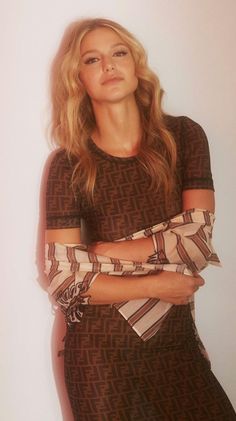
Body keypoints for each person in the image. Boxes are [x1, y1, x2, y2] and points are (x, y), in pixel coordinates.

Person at [45, 18, 236, 420]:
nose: (109, 65)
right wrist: (159, 282)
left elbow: (198, 240)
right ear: (78, 79)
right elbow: (63, 277)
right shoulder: (68, 164)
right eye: (92, 59)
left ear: (136, 64)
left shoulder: (185, 136)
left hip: (175, 341)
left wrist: (106, 254)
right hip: (98, 354)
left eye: (118, 53)